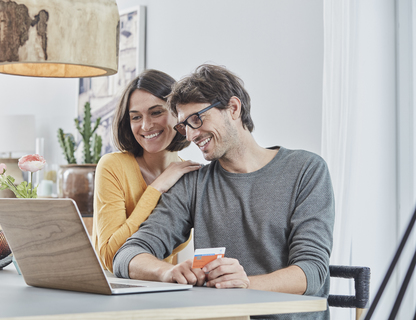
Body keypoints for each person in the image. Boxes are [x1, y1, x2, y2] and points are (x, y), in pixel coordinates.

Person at [113, 64, 334, 319]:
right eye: (185, 125)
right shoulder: (193, 184)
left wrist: (246, 284)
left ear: (233, 109)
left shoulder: (305, 170)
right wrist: (166, 273)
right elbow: (127, 255)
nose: (192, 134)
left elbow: (313, 271)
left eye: (198, 118)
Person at [92, 69, 201, 273]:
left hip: (163, 287)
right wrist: (157, 188)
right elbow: (109, 256)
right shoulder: (112, 166)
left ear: (178, 114)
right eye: (135, 117)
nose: (146, 125)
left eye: (156, 112)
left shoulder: (189, 175)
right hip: (115, 290)